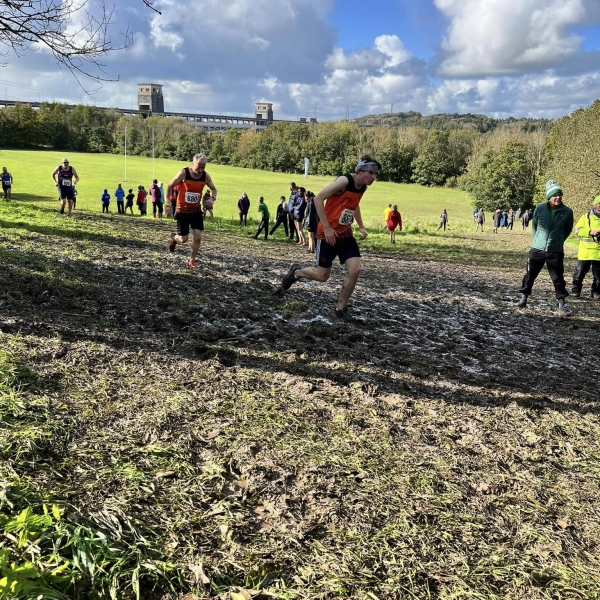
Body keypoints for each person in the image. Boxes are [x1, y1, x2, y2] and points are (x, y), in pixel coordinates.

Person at [280, 155, 380, 319]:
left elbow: (353, 205)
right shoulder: (344, 181)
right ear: (360, 170)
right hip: (327, 234)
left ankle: (340, 309)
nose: (374, 177)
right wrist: (326, 227)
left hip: (345, 234)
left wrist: (361, 225)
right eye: (371, 173)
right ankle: (296, 273)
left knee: (355, 270)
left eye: (376, 174)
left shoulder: (362, 186)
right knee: (322, 276)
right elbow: (318, 198)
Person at [517, 180, 574, 314]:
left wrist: (558, 241)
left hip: (555, 251)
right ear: (549, 197)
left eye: (560, 195)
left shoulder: (567, 212)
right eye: (555, 195)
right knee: (530, 275)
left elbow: (568, 230)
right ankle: (523, 297)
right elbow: (534, 226)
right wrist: (538, 240)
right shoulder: (540, 209)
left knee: (558, 278)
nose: (558, 197)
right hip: (537, 249)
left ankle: (561, 304)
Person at [167, 153, 217, 268]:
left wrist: (212, 199)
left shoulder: (205, 176)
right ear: (192, 163)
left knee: (198, 237)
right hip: (182, 211)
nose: (200, 170)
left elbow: (214, 189)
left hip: (196, 211)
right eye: (198, 167)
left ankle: (192, 260)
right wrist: (167, 204)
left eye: (203, 167)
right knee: (184, 239)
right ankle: (174, 238)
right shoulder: (183, 173)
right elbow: (169, 186)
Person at [571, 198, 600, 298]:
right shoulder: (586, 217)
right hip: (585, 251)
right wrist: (590, 232)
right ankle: (576, 290)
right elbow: (577, 231)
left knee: (599, 276)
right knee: (579, 273)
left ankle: (596, 292)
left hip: (598, 252)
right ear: (594, 205)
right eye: (598, 204)